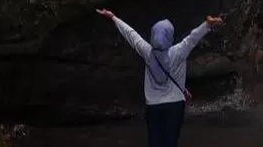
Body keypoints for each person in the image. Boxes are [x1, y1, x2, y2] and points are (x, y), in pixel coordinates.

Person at [96, 8, 224, 147]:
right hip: (174, 106)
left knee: (154, 142)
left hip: (153, 107)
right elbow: (193, 38)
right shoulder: (178, 52)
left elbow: (131, 35)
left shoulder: (147, 52)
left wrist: (113, 18)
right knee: (170, 142)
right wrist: (207, 24)